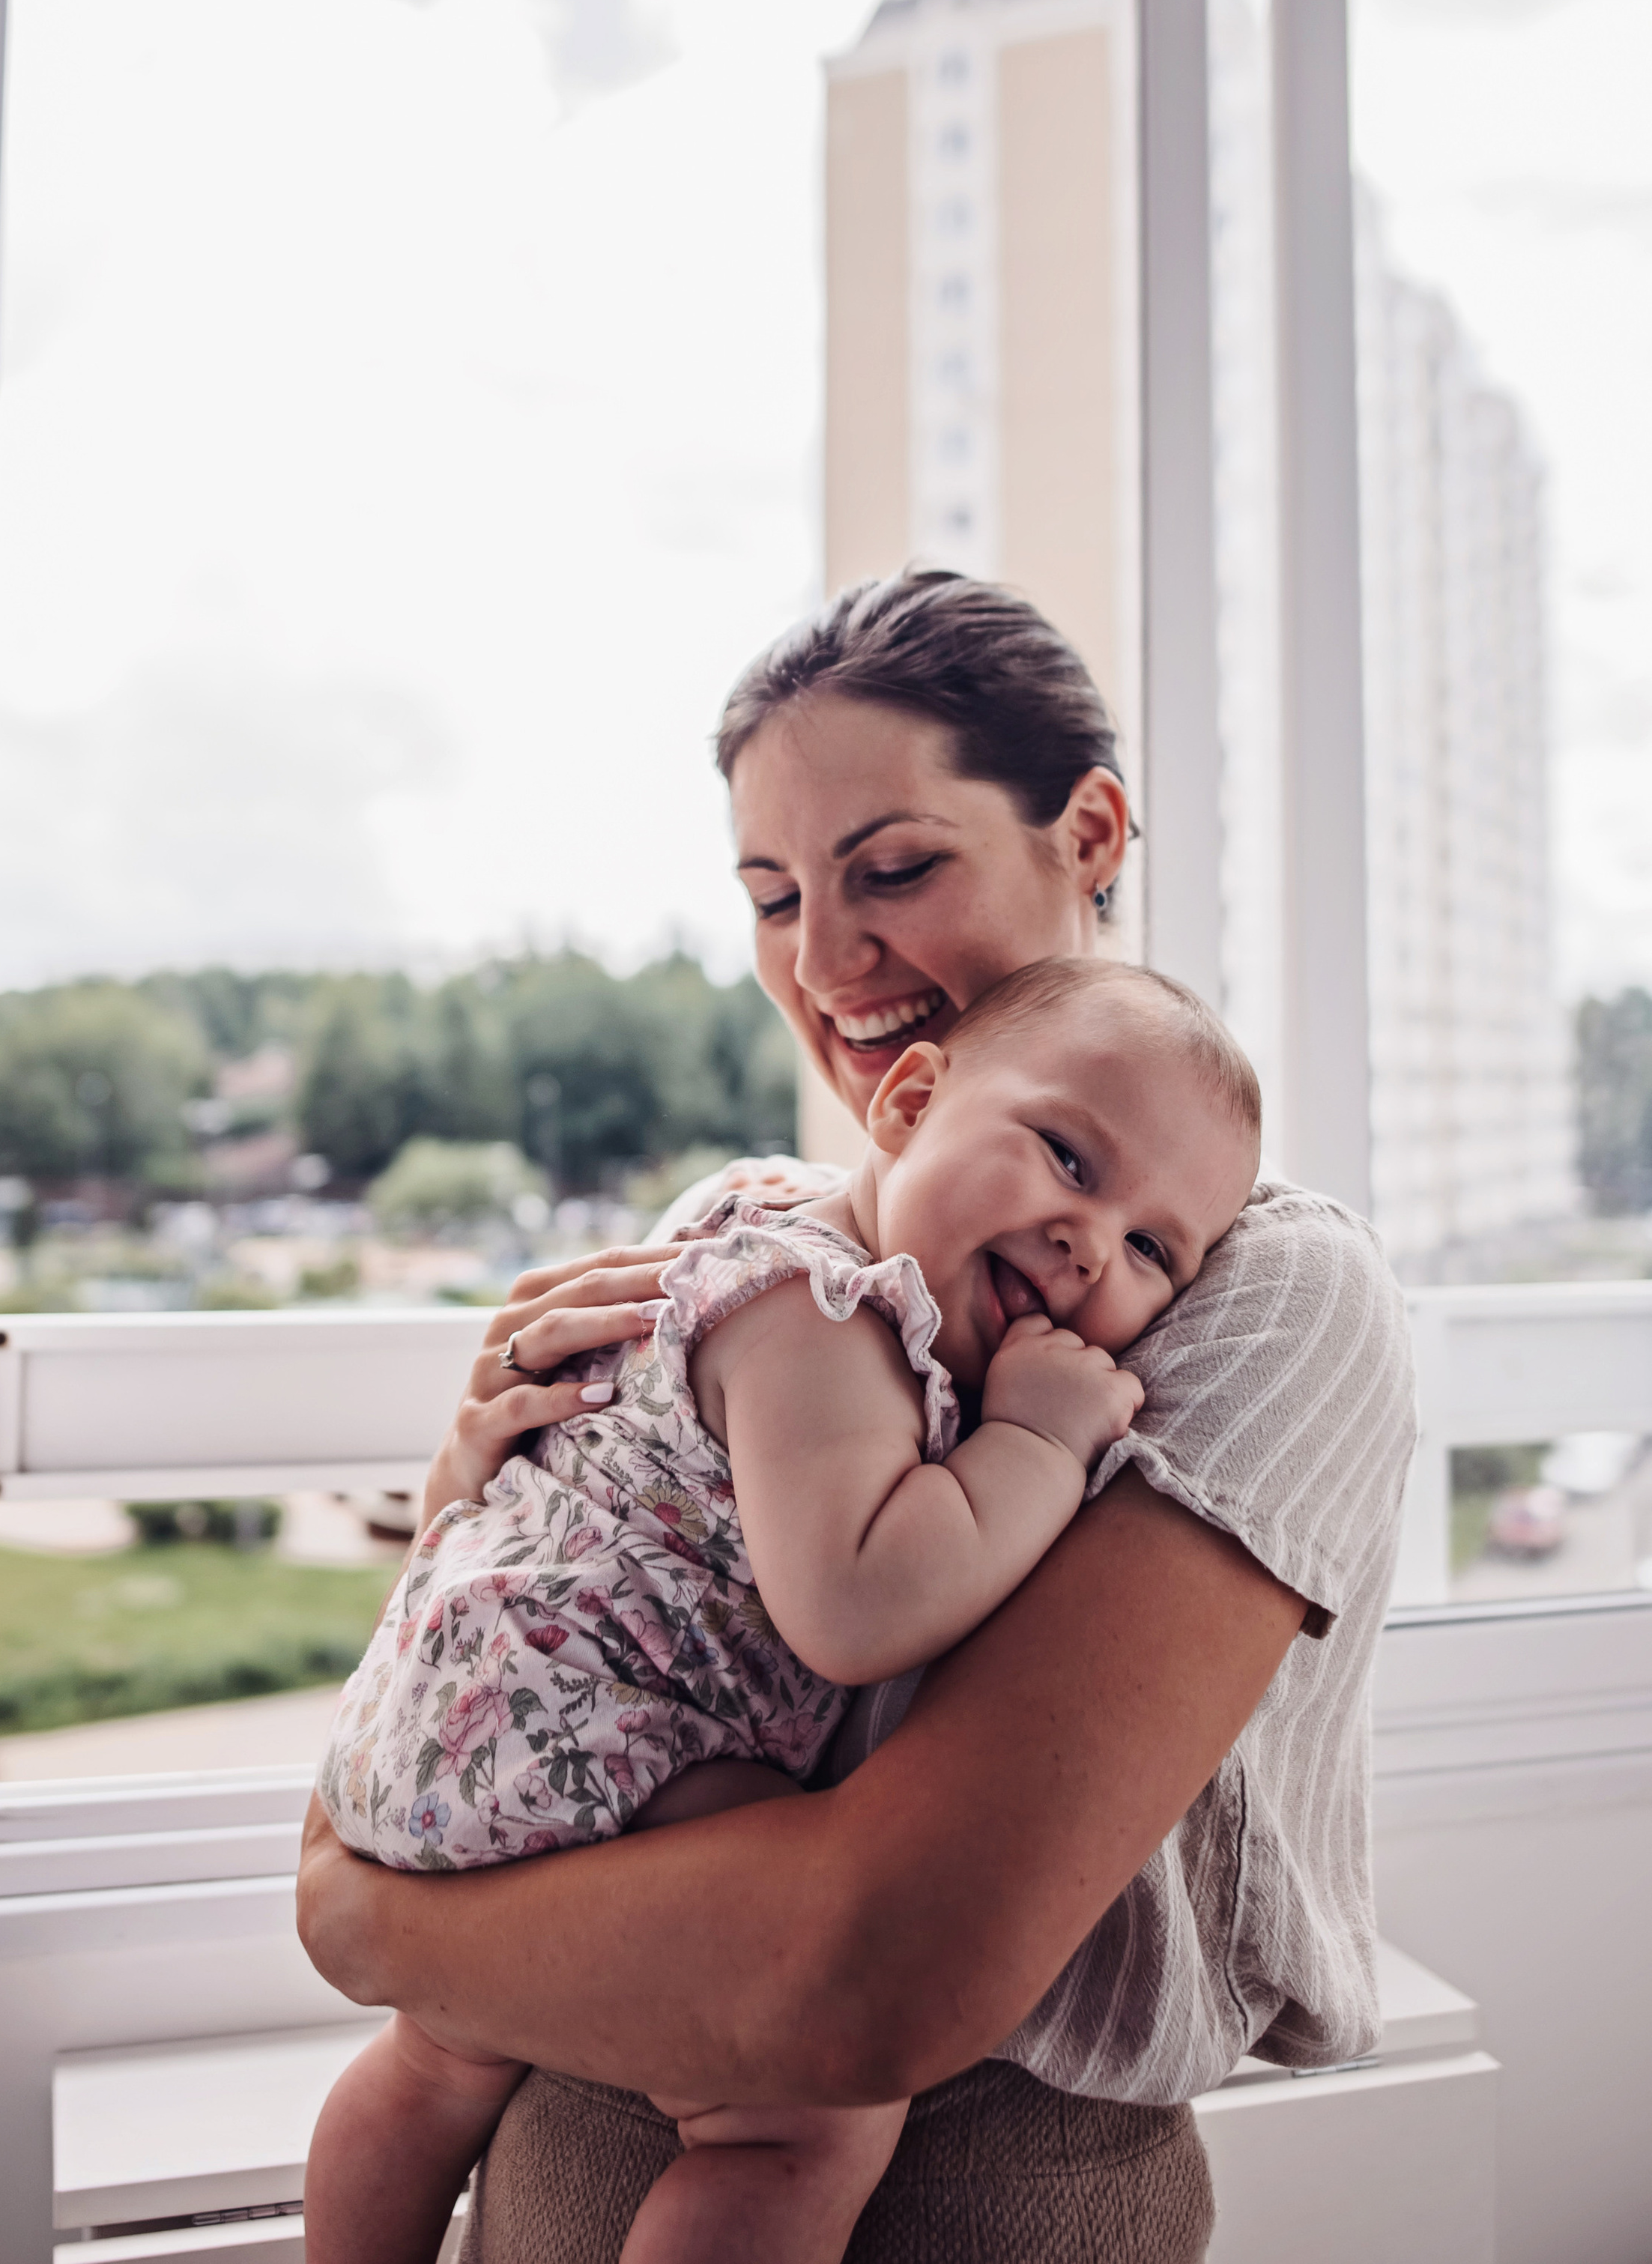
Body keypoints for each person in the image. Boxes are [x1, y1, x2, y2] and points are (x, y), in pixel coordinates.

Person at [299, 572, 1416, 2264]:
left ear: (1091, 831)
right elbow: (491, 1670)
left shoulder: (1258, 1291)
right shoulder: (764, 1245)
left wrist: (371, 1920)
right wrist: (476, 1475)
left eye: (892, 868)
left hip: (967, 2182)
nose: (821, 961)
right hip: (539, 2137)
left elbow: (871, 1965)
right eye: (770, 896)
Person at [306, 958, 1261, 2264]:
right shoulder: (824, 1313)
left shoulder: (751, 1232)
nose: (1089, 1240)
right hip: (587, 1730)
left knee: (430, 2060)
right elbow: (857, 1606)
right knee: (804, 2122)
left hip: (453, 1718)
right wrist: (1034, 1443)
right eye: (1068, 1159)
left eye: (1154, 1248)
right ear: (910, 1102)